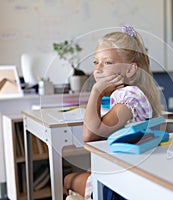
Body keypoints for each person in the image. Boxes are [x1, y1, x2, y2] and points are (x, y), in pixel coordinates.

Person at [64, 25, 163, 199]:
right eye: (96, 62)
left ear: (130, 69)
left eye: (107, 62)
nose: (98, 69)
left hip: (120, 183)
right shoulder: (133, 93)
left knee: (67, 179)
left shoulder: (128, 99)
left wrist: (96, 91)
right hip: (124, 169)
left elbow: (89, 135)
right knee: (83, 172)